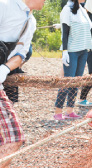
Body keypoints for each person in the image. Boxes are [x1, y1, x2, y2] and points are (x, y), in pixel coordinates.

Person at [0, 0, 45, 167]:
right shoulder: (4, 6)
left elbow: (21, 53)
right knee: (13, 138)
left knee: (13, 139)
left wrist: (5, 69)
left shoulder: (30, 21)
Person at [54, 0, 92, 120]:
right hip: (72, 51)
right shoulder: (67, 10)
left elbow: (89, 31)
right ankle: (58, 112)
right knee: (67, 81)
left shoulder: (82, 10)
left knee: (77, 82)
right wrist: (65, 51)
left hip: (83, 50)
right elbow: (65, 32)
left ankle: (70, 110)